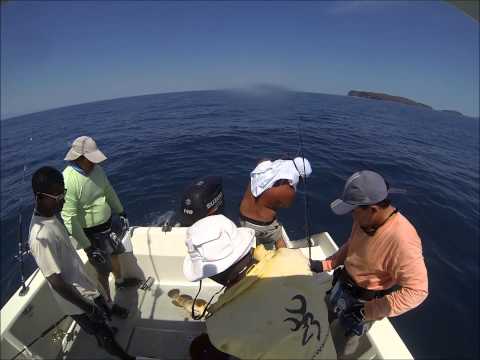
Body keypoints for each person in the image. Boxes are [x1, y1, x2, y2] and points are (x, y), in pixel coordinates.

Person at [310, 170, 428, 359]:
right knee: (319, 323)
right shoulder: (364, 220)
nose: (351, 216)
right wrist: (327, 264)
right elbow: (353, 245)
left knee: (339, 349)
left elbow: (418, 291)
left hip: (362, 305)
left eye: (353, 211)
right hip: (340, 287)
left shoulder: (402, 240)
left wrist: (367, 311)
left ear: (372, 209)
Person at [183, 215, 337, 360]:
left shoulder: (219, 324)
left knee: (199, 348)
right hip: (328, 354)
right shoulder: (291, 257)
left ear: (211, 275)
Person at [28, 166, 135, 360]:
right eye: (57, 196)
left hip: (86, 289)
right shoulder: (39, 237)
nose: (63, 199)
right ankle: (125, 357)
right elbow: (57, 283)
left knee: (103, 322)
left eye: (63, 193)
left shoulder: (51, 216)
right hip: (77, 301)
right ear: (39, 197)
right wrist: (88, 308)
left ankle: (105, 331)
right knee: (103, 333)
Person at [61, 135, 138, 317]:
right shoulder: (68, 180)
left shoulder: (97, 170)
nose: (94, 162)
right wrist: (87, 246)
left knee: (116, 257)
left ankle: (119, 282)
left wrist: (120, 211)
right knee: (102, 272)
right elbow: (69, 217)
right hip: (91, 236)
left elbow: (108, 190)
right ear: (79, 158)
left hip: (108, 227)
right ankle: (109, 305)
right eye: (90, 159)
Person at [239, 157, 312, 249]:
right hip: (262, 226)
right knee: (279, 240)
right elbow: (286, 205)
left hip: (242, 217)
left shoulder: (263, 165)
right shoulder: (288, 191)